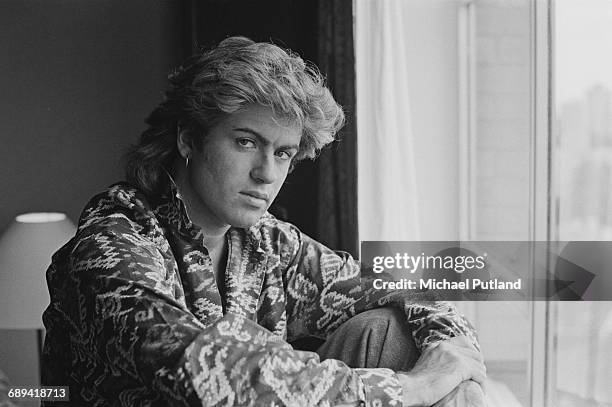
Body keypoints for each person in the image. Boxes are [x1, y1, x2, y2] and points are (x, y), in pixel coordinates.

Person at [42, 36, 486, 406]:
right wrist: (409, 388)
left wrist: (451, 359)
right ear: (188, 139)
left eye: (283, 153)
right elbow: (202, 370)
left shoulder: (268, 241)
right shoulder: (112, 243)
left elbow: (405, 290)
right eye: (245, 142)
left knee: (395, 330)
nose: (266, 174)